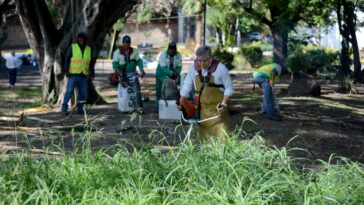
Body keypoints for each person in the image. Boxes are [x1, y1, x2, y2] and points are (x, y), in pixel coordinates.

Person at [179, 46, 234, 141]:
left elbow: (229, 88)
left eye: (205, 60)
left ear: (210, 57)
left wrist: (224, 103)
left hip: (218, 111)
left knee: (222, 141)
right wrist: (181, 99)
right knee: (204, 141)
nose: (202, 63)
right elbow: (187, 85)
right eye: (199, 60)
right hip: (203, 111)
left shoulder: (221, 68)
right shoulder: (193, 68)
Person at [61, 32, 95, 115]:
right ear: (77, 39)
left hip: (83, 75)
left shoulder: (88, 49)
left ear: (85, 40)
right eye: (80, 38)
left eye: (83, 38)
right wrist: (66, 70)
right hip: (73, 75)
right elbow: (67, 59)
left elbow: (91, 63)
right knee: (69, 91)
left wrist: (92, 72)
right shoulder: (72, 47)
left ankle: (80, 110)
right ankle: (64, 108)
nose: (81, 40)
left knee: (82, 93)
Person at [112, 35, 145, 109]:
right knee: (126, 92)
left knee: (137, 91)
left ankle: (139, 108)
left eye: (128, 43)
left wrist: (141, 69)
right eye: (125, 42)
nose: (127, 44)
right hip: (123, 75)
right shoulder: (117, 52)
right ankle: (126, 108)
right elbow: (114, 64)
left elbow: (139, 61)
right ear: (122, 43)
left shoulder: (135, 51)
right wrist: (117, 70)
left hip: (133, 75)